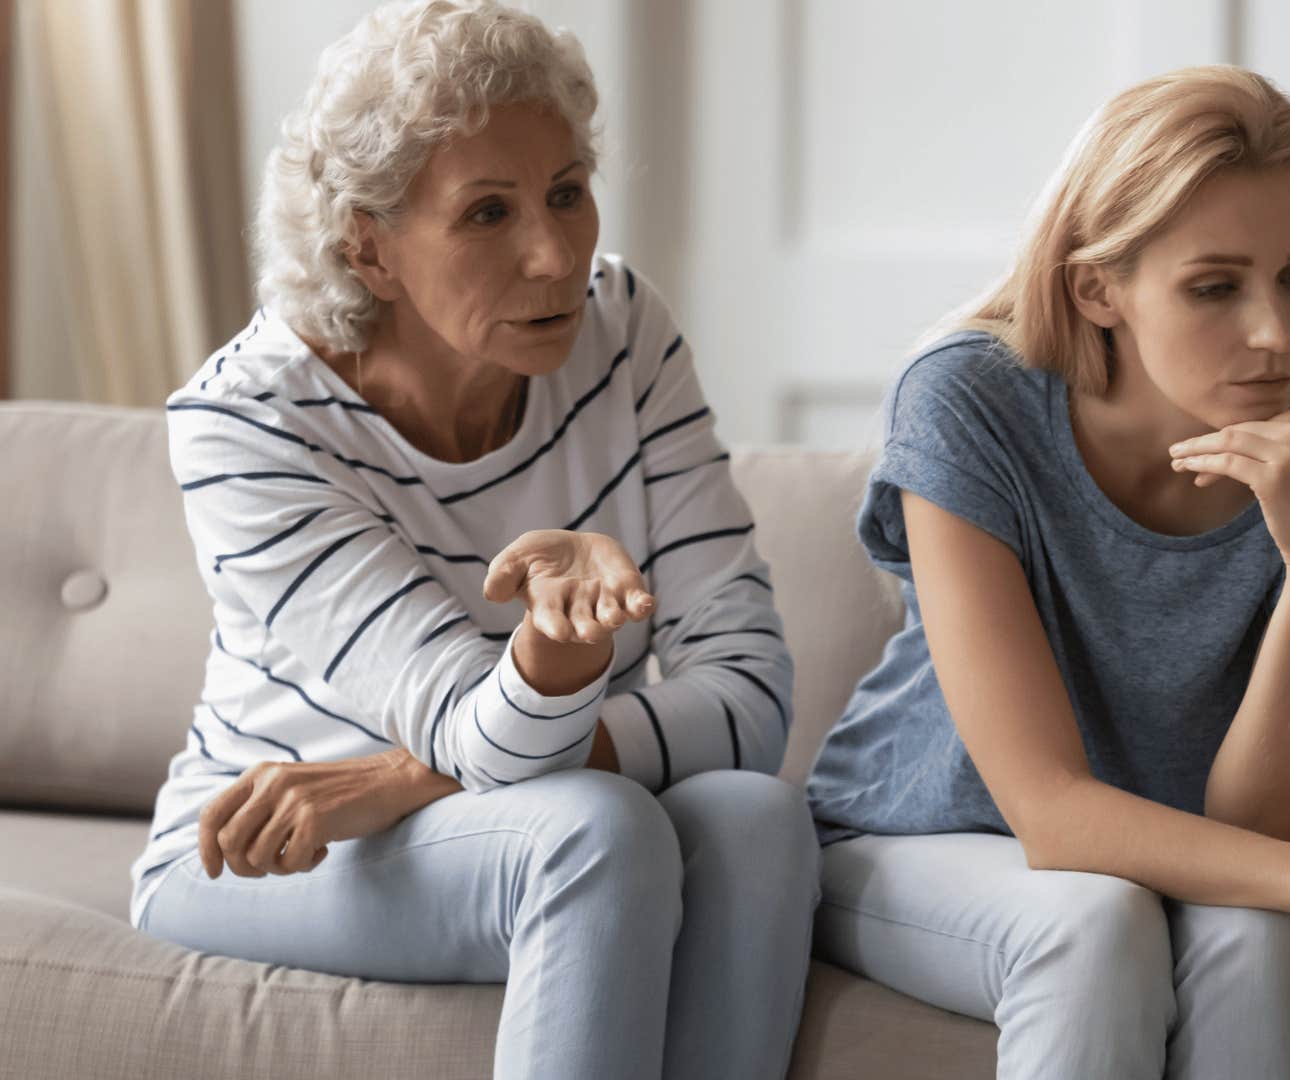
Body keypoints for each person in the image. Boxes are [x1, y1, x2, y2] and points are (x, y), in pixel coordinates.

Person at [129, 3, 816, 1077]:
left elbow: (756, 693)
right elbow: (474, 727)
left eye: (565, 193)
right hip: (270, 851)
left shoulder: (621, 328)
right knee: (592, 831)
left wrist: (409, 778)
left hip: (418, 801)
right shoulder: (246, 425)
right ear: (371, 247)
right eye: (487, 213)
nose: (554, 254)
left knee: (755, 821)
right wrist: (556, 657)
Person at [806, 66, 1290, 1080]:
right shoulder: (969, 402)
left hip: (1207, 854)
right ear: (1099, 286)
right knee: (1094, 924)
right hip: (929, 837)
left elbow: (1261, 831)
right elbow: (1050, 814)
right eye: (1216, 286)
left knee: (1263, 947)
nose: (1276, 333)